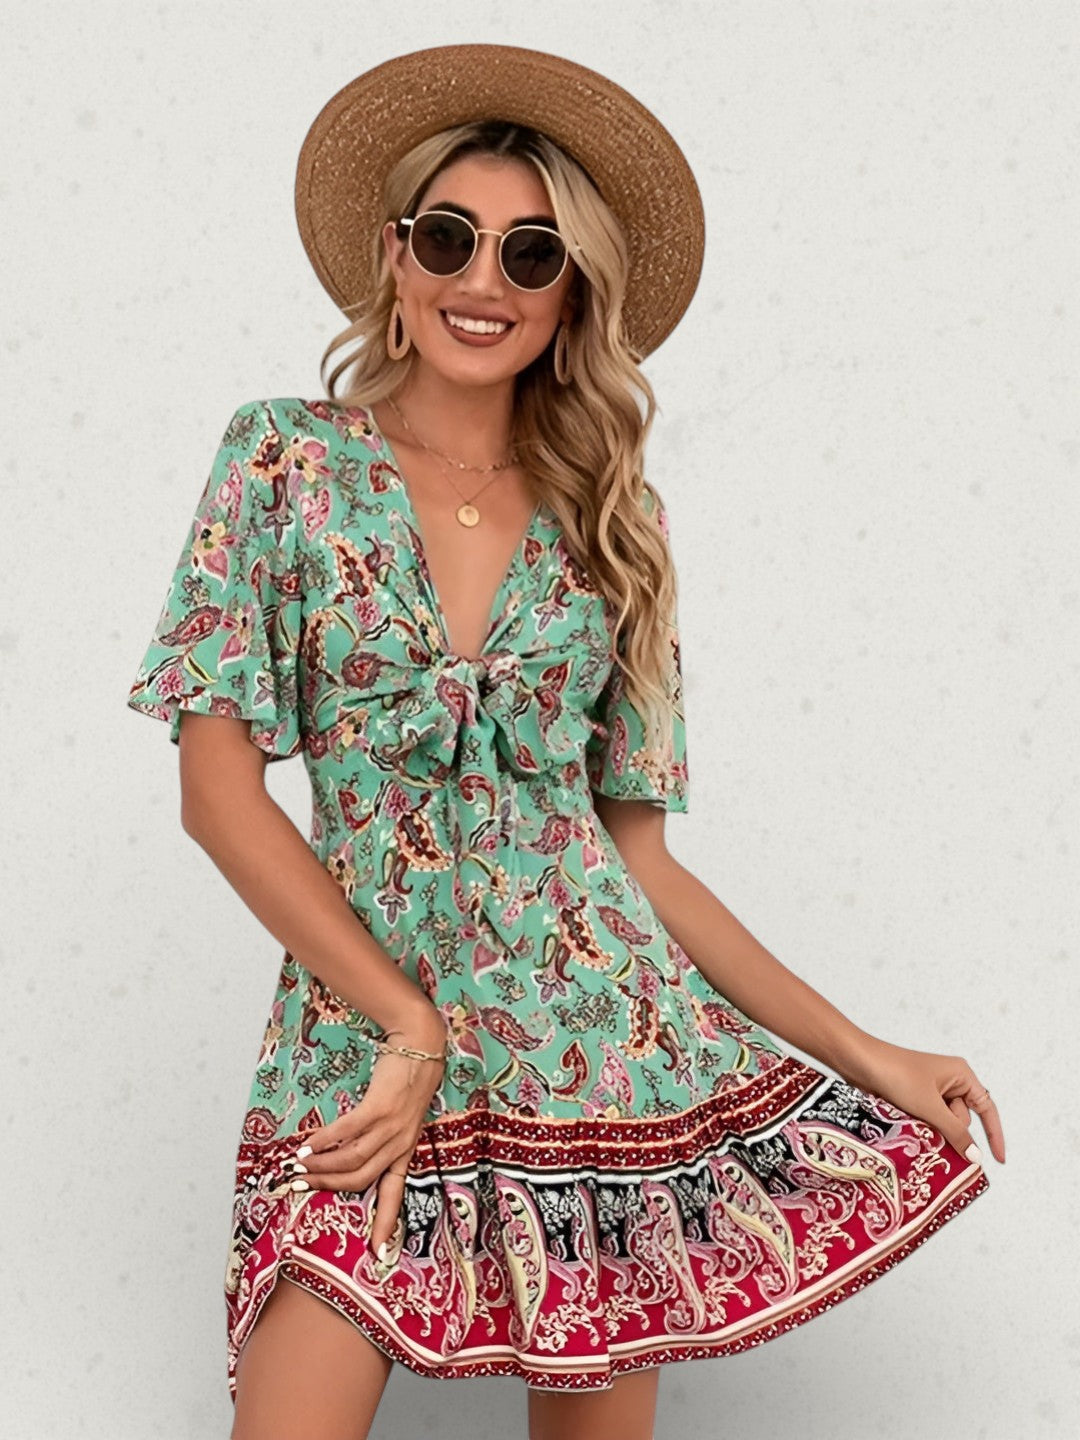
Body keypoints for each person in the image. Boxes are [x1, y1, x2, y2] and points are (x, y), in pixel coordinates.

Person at [126, 42, 1003, 1440]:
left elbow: (637, 862)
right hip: (363, 1049)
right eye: (450, 238)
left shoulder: (617, 522)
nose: (484, 280)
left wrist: (867, 1050)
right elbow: (216, 794)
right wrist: (407, 1020)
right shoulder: (283, 460)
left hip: (597, 1058)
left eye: (531, 254)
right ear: (396, 258)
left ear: (572, 293)